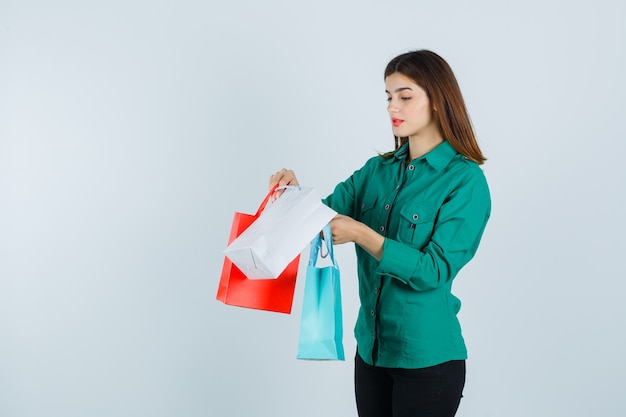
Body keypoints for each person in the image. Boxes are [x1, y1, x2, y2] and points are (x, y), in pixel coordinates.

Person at [269, 50, 491, 417]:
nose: (393, 107)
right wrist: (292, 194)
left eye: (405, 96)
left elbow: (434, 271)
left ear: (438, 101)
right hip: (371, 353)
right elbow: (318, 221)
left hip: (427, 361)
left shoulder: (465, 181)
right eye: (389, 97)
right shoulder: (377, 170)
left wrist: (362, 234)